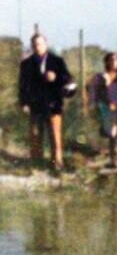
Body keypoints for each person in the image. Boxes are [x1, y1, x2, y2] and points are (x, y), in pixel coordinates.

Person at [18, 33, 74, 170]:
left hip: (53, 104)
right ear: (32, 46)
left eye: (40, 44)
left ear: (46, 44)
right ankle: (37, 166)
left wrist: (56, 78)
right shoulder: (26, 64)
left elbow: (68, 80)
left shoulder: (57, 61)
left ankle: (56, 165)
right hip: (36, 105)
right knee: (36, 136)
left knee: (55, 136)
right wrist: (24, 103)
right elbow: (23, 85)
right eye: (35, 44)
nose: (38, 47)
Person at [88, 52, 117, 167]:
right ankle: (113, 159)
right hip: (108, 108)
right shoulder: (101, 77)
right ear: (107, 62)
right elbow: (94, 91)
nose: (113, 62)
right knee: (112, 134)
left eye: (116, 60)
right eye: (111, 60)